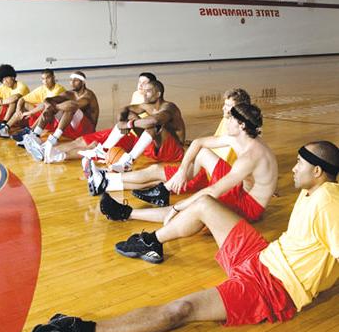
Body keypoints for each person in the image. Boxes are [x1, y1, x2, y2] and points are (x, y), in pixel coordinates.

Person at [28, 141, 339, 332]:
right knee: (205, 204)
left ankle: (80, 330)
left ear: (318, 171)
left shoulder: (328, 201)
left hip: (271, 287)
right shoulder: (315, 191)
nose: (293, 169)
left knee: (182, 309)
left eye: (300, 163)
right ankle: (152, 241)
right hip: (262, 255)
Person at [99, 103, 275, 225]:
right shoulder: (240, 137)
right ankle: (163, 190)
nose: (226, 120)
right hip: (239, 188)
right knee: (203, 153)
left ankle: (126, 213)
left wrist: (178, 206)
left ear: (242, 125)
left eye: (231, 119)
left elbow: (213, 191)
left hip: (248, 206)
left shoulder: (251, 156)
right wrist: (182, 172)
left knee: (194, 205)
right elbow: (198, 143)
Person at [89, 88, 252, 199]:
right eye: (225, 104)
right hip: (207, 170)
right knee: (155, 180)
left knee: (155, 172)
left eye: (229, 106)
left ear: (240, 109)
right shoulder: (231, 121)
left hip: (212, 176)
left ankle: (105, 178)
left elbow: (248, 159)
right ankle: (106, 184)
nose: (224, 108)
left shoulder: (240, 131)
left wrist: (254, 185)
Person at [83, 79, 185, 182]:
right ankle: (104, 149)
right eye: (143, 91)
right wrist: (122, 122)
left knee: (153, 126)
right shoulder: (147, 105)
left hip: (174, 153)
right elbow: (125, 109)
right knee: (130, 115)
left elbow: (155, 120)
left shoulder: (169, 107)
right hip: (155, 150)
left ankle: (128, 161)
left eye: (148, 91)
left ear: (158, 94)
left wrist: (129, 124)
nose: (144, 94)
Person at [46, 72, 157, 162]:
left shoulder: (154, 105)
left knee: (96, 148)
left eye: (144, 83)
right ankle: (46, 151)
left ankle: (58, 156)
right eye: (139, 82)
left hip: (132, 138)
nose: (140, 85)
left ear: (152, 87)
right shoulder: (136, 94)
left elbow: (150, 127)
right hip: (123, 129)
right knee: (80, 140)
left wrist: (131, 120)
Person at [22, 71, 99, 163]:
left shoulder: (88, 95)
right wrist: (50, 106)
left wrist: (55, 107)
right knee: (51, 105)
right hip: (73, 131)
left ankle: (52, 140)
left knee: (70, 107)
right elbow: (48, 100)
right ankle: (35, 135)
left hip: (87, 131)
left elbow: (73, 105)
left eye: (76, 80)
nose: (72, 83)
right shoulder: (69, 93)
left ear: (83, 82)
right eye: (71, 80)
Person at [1, 69, 66, 140]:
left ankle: (31, 130)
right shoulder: (42, 88)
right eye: (43, 79)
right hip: (45, 115)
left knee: (46, 108)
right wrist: (18, 110)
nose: (45, 81)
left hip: (56, 118)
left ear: (53, 77)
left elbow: (45, 105)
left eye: (48, 78)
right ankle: (6, 127)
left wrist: (30, 112)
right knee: (24, 104)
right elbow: (22, 99)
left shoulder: (58, 89)